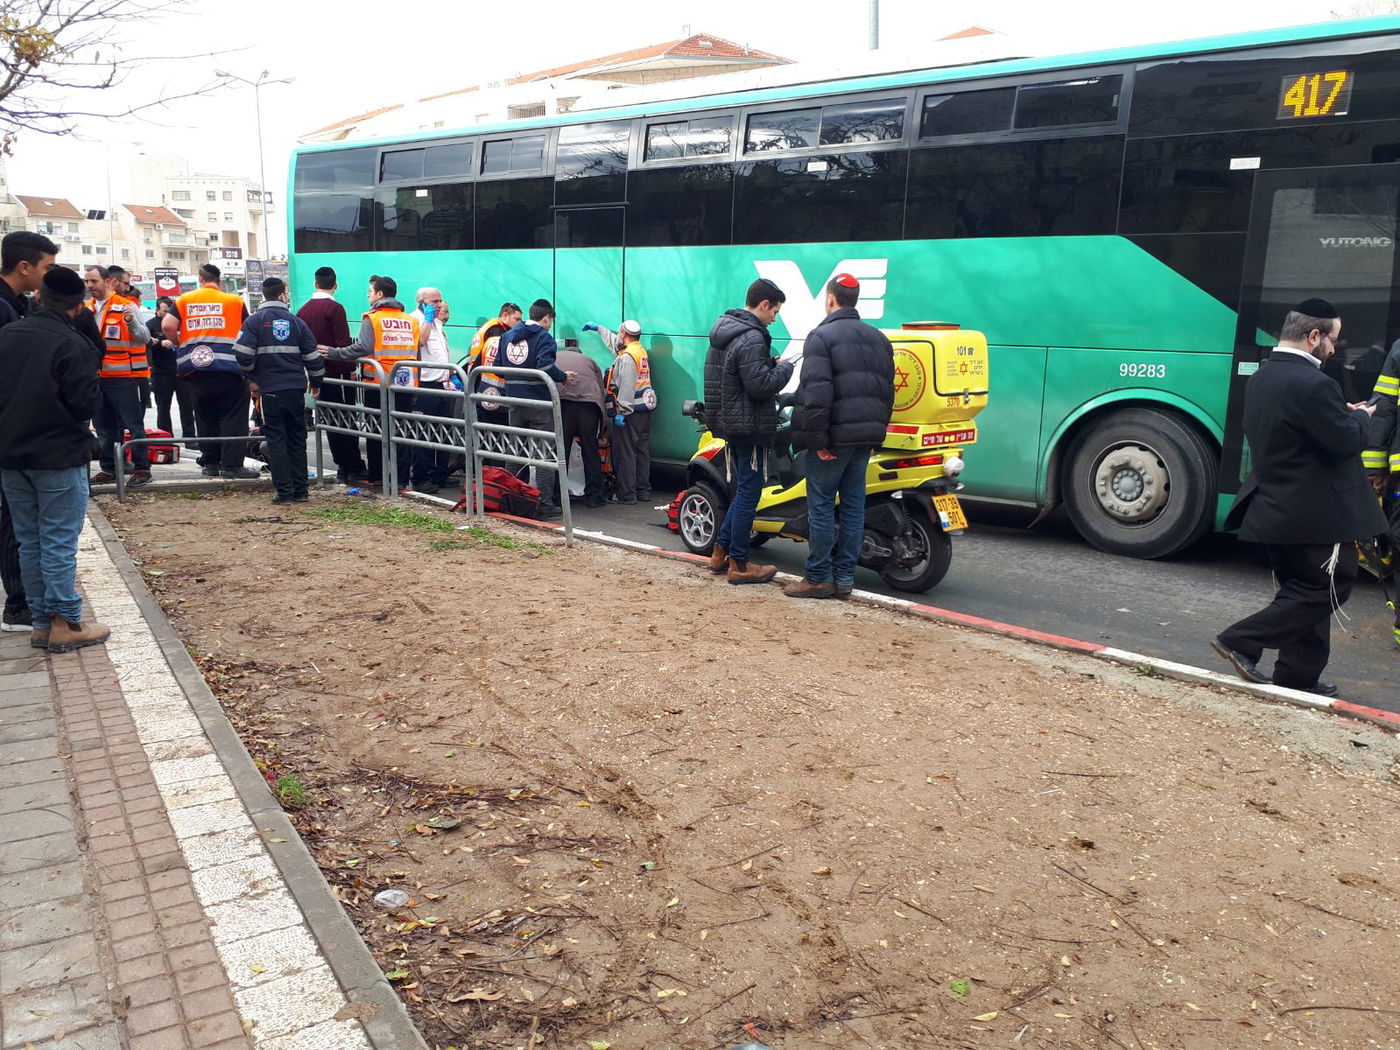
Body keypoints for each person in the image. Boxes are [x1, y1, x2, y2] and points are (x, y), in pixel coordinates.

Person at [1214, 299, 1385, 697]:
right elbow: (1346, 442)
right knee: (1328, 587)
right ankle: (1240, 640)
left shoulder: (1263, 376)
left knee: (1301, 590)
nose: (1334, 349)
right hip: (1315, 513)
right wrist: (1360, 417)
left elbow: (1295, 429)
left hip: (1276, 506)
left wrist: (1338, 413)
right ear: (1314, 336)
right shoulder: (1315, 384)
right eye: (1333, 340)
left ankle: (1296, 677)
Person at [0, 266, 108, 653]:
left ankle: (41, 622)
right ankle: (67, 621)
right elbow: (84, 403)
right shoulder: (74, 344)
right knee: (59, 539)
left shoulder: (7, 336)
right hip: (58, 455)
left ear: (40, 297)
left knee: (29, 541)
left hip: (11, 455)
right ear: (80, 306)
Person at [784, 273, 895, 600]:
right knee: (852, 507)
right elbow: (887, 393)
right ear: (855, 299)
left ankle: (817, 577)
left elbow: (817, 395)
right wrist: (876, 434)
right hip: (864, 439)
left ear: (830, 299)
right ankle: (844, 578)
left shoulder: (821, 337)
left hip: (832, 440)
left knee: (820, 505)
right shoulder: (878, 338)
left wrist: (818, 442)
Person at [703, 278, 793, 584]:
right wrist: (784, 369)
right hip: (750, 425)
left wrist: (766, 364)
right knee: (749, 493)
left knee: (743, 490)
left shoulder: (725, 332)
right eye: (775, 312)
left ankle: (720, 554)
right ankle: (739, 565)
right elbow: (760, 385)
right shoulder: (753, 336)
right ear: (764, 304)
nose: (774, 319)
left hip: (730, 423)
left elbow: (737, 376)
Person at [0, 231, 58, 634]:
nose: (49, 276)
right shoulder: (3, 310)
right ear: (25, 267)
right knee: (15, 522)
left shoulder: (14, 304)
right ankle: (19, 606)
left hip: (14, 431)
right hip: (13, 435)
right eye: (47, 268)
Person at [321, 274, 426, 492]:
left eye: (370, 291)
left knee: (377, 433)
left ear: (379, 294)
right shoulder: (412, 321)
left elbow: (362, 348)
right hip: (404, 385)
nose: (367, 295)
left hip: (377, 384)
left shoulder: (373, 318)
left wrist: (334, 353)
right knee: (401, 432)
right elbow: (416, 355)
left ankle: (378, 477)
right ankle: (400, 479)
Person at [234, 277, 324, 504]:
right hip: (295, 389)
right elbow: (313, 357)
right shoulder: (296, 322)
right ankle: (301, 491)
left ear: (264, 295)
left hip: (270, 390)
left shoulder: (255, 321)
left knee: (276, 440)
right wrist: (316, 381)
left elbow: (243, 355)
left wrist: (251, 379)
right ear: (283, 295)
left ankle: (285, 492)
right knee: (296, 438)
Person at [165, 263, 254, 479]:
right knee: (234, 417)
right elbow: (248, 331)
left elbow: (168, 325)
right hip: (229, 369)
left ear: (200, 279)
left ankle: (211, 464)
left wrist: (181, 344)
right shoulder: (234, 301)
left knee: (205, 416)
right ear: (219, 281)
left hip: (197, 370)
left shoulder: (185, 300)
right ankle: (232, 466)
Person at [492, 298, 572, 519]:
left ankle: (509, 497)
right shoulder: (544, 338)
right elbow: (544, 366)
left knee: (515, 450)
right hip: (539, 403)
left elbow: (497, 368)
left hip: (515, 402)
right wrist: (564, 377)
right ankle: (544, 503)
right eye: (551, 320)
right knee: (544, 454)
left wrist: (515, 376)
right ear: (546, 317)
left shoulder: (507, 336)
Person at [86, 264, 153, 487]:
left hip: (124, 377)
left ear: (108, 282)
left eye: (93, 281)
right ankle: (109, 468)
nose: (89, 286)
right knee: (104, 427)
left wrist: (130, 321)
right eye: (87, 282)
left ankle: (142, 468)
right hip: (97, 378)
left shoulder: (126, 306)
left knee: (133, 425)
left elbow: (144, 337)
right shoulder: (86, 309)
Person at [298, 266, 365, 483]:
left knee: (329, 420)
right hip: (339, 374)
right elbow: (343, 344)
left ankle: (340, 466)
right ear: (335, 285)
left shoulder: (303, 310)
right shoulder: (335, 309)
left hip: (316, 375)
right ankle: (353, 466)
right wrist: (351, 369)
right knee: (346, 419)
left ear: (315, 284)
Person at [584, 318, 655, 504]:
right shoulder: (638, 351)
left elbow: (627, 386)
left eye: (620, 332)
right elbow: (614, 343)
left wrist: (622, 411)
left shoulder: (627, 358)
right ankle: (643, 491)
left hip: (630, 412)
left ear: (624, 333)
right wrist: (599, 328)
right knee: (641, 450)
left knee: (626, 453)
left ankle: (627, 494)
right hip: (644, 409)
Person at [409, 286, 454, 495]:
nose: (439, 305)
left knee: (442, 432)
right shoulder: (416, 320)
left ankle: (439, 474)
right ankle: (420, 478)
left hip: (442, 384)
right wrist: (426, 320)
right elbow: (421, 341)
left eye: (440, 300)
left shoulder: (437, 322)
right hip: (425, 386)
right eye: (434, 301)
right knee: (424, 433)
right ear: (421, 302)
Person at [555, 342, 607, 508]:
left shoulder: (556, 356)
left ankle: (557, 495)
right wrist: (603, 425)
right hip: (588, 406)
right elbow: (601, 390)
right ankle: (594, 496)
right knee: (590, 449)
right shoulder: (590, 361)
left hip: (563, 405)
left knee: (560, 450)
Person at [148, 295, 195, 439]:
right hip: (161, 372)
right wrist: (159, 343)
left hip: (182, 372)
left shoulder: (180, 323)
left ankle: (190, 437)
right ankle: (165, 438)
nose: (168, 314)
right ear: (157, 310)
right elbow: (145, 346)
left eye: (170, 311)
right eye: (164, 311)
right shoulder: (150, 325)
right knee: (163, 408)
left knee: (187, 407)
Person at [467, 302, 521, 426]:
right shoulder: (497, 331)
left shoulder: (488, 327)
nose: (519, 323)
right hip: (488, 384)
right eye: (516, 319)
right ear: (505, 315)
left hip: (478, 379)